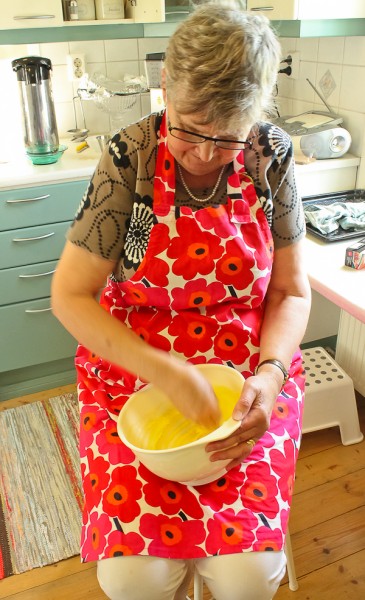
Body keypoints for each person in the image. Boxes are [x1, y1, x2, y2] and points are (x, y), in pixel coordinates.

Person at [51, 1, 311, 598]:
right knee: (133, 576)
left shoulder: (270, 157)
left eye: (226, 140)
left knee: (247, 575)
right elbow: (70, 296)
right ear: (164, 84)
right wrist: (165, 371)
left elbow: (292, 292)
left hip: (249, 377)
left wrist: (271, 376)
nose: (201, 153)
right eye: (189, 127)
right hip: (129, 376)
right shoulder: (129, 160)